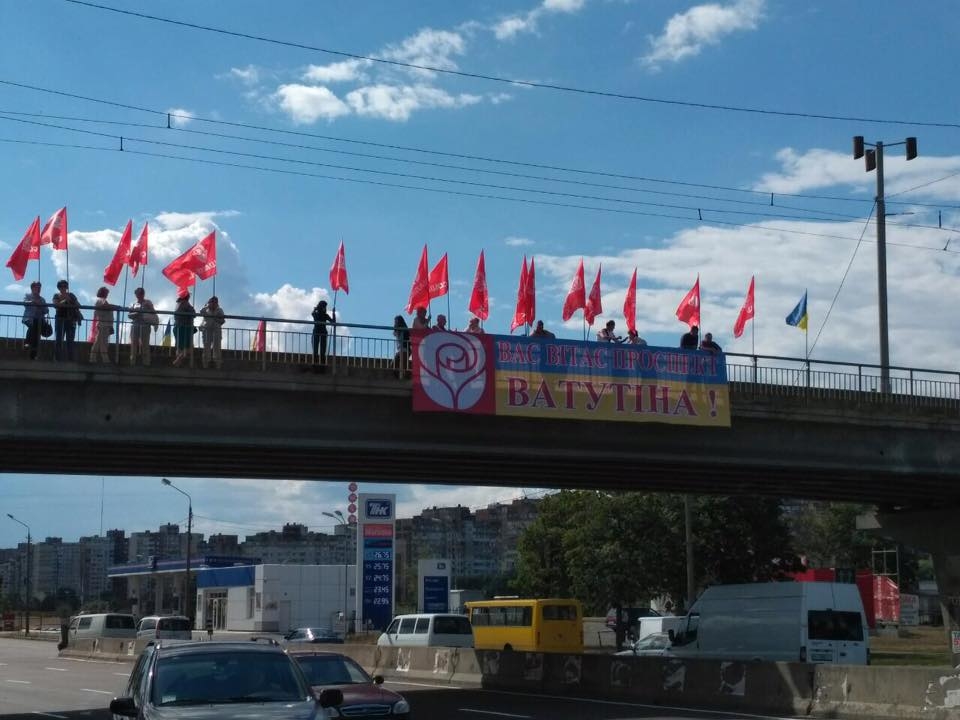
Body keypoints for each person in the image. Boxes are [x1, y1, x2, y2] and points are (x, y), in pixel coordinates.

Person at [128, 287, 158, 366]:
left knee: (145, 344)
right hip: (135, 325)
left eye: (141, 293)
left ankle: (146, 363)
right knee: (133, 345)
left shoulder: (148, 302)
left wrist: (148, 309)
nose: (140, 295)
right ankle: (132, 362)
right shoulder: (133, 304)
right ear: (136, 294)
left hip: (145, 326)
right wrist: (137, 313)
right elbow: (129, 315)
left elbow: (153, 312)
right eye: (138, 293)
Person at [52, 279, 81, 362]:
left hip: (71, 320)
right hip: (60, 319)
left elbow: (78, 305)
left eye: (65, 286)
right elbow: (55, 305)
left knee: (70, 340)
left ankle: (70, 360)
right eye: (61, 286)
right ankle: (57, 359)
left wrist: (70, 300)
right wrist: (64, 301)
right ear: (59, 287)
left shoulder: (71, 295)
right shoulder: (56, 295)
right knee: (59, 339)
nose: (63, 288)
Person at [22, 281, 49, 361]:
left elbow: (46, 310)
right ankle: (28, 343)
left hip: (39, 320)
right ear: (32, 288)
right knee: (33, 326)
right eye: (37, 287)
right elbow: (24, 303)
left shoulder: (42, 299)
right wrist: (33, 302)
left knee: (36, 335)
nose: (39, 289)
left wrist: (41, 306)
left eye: (39, 288)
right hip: (29, 318)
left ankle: (32, 353)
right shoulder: (28, 296)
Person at [89, 286, 116, 364]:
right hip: (104, 324)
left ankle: (93, 358)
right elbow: (105, 306)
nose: (107, 294)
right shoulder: (101, 300)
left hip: (104, 324)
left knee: (98, 342)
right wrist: (115, 307)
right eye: (107, 292)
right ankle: (105, 360)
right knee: (103, 343)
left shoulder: (100, 300)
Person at [200, 296, 226, 369]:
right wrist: (207, 306)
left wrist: (215, 318)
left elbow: (222, 321)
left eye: (215, 302)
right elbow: (201, 311)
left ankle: (217, 364)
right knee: (206, 347)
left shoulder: (220, 310)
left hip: (216, 330)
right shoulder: (206, 309)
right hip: (207, 330)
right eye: (212, 302)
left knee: (217, 347)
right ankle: (205, 364)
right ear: (209, 302)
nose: (214, 303)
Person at [172, 291, 196, 367]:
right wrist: (192, 308)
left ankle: (178, 361)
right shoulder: (185, 303)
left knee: (179, 346)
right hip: (184, 328)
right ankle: (178, 360)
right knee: (188, 347)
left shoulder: (178, 304)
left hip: (178, 327)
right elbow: (193, 313)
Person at [311, 300, 334, 372]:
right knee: (318, 350)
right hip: (319, 333)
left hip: (320, 333)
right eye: (324, 307)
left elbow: (333, 322)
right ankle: (318, 365)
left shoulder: (319, 314)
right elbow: (333, 322)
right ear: (322, 307)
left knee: (320, 350)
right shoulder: (321, 315)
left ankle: (319, 365)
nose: (325, 308)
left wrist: (333, 313)